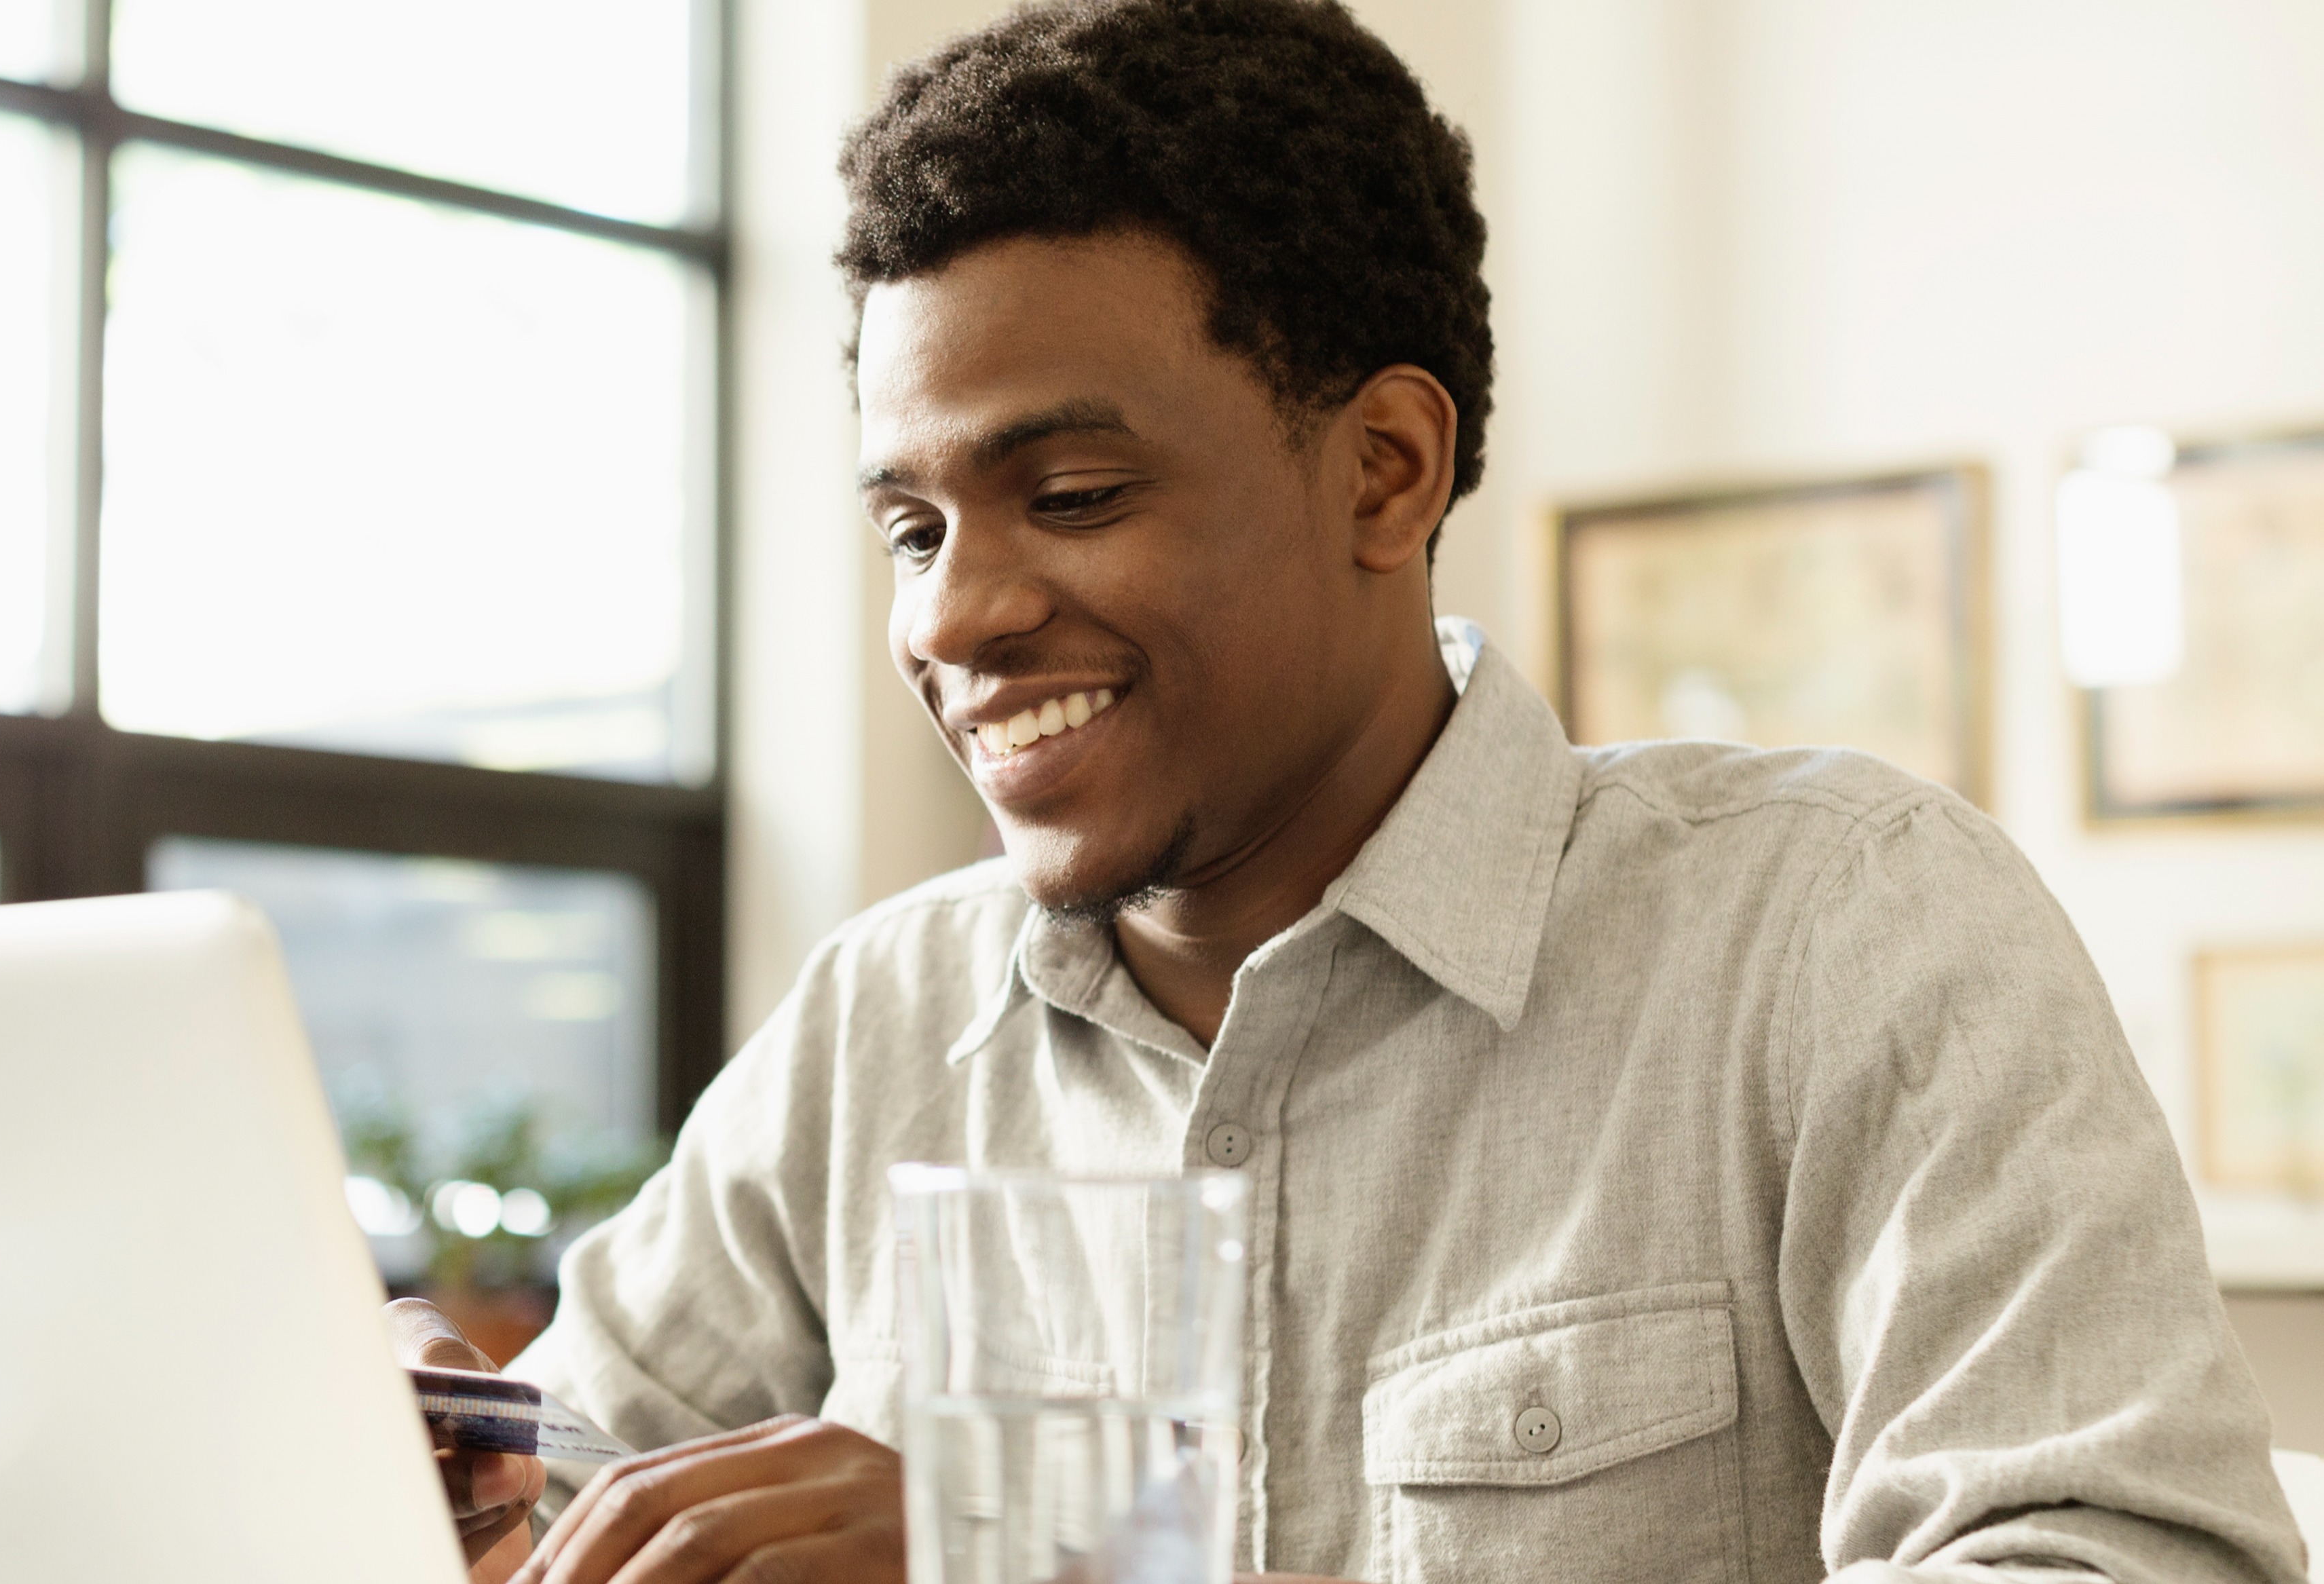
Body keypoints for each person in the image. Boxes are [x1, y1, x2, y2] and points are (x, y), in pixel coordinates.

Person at [399, 1, 2310, 1580]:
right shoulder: (879, 1026)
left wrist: (1028, 1563)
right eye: (913, 527)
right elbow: (574, 1480)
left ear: (1387, 470)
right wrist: (416, 1457)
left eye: (1074, 495)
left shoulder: (1839, 930)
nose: (954, 616)